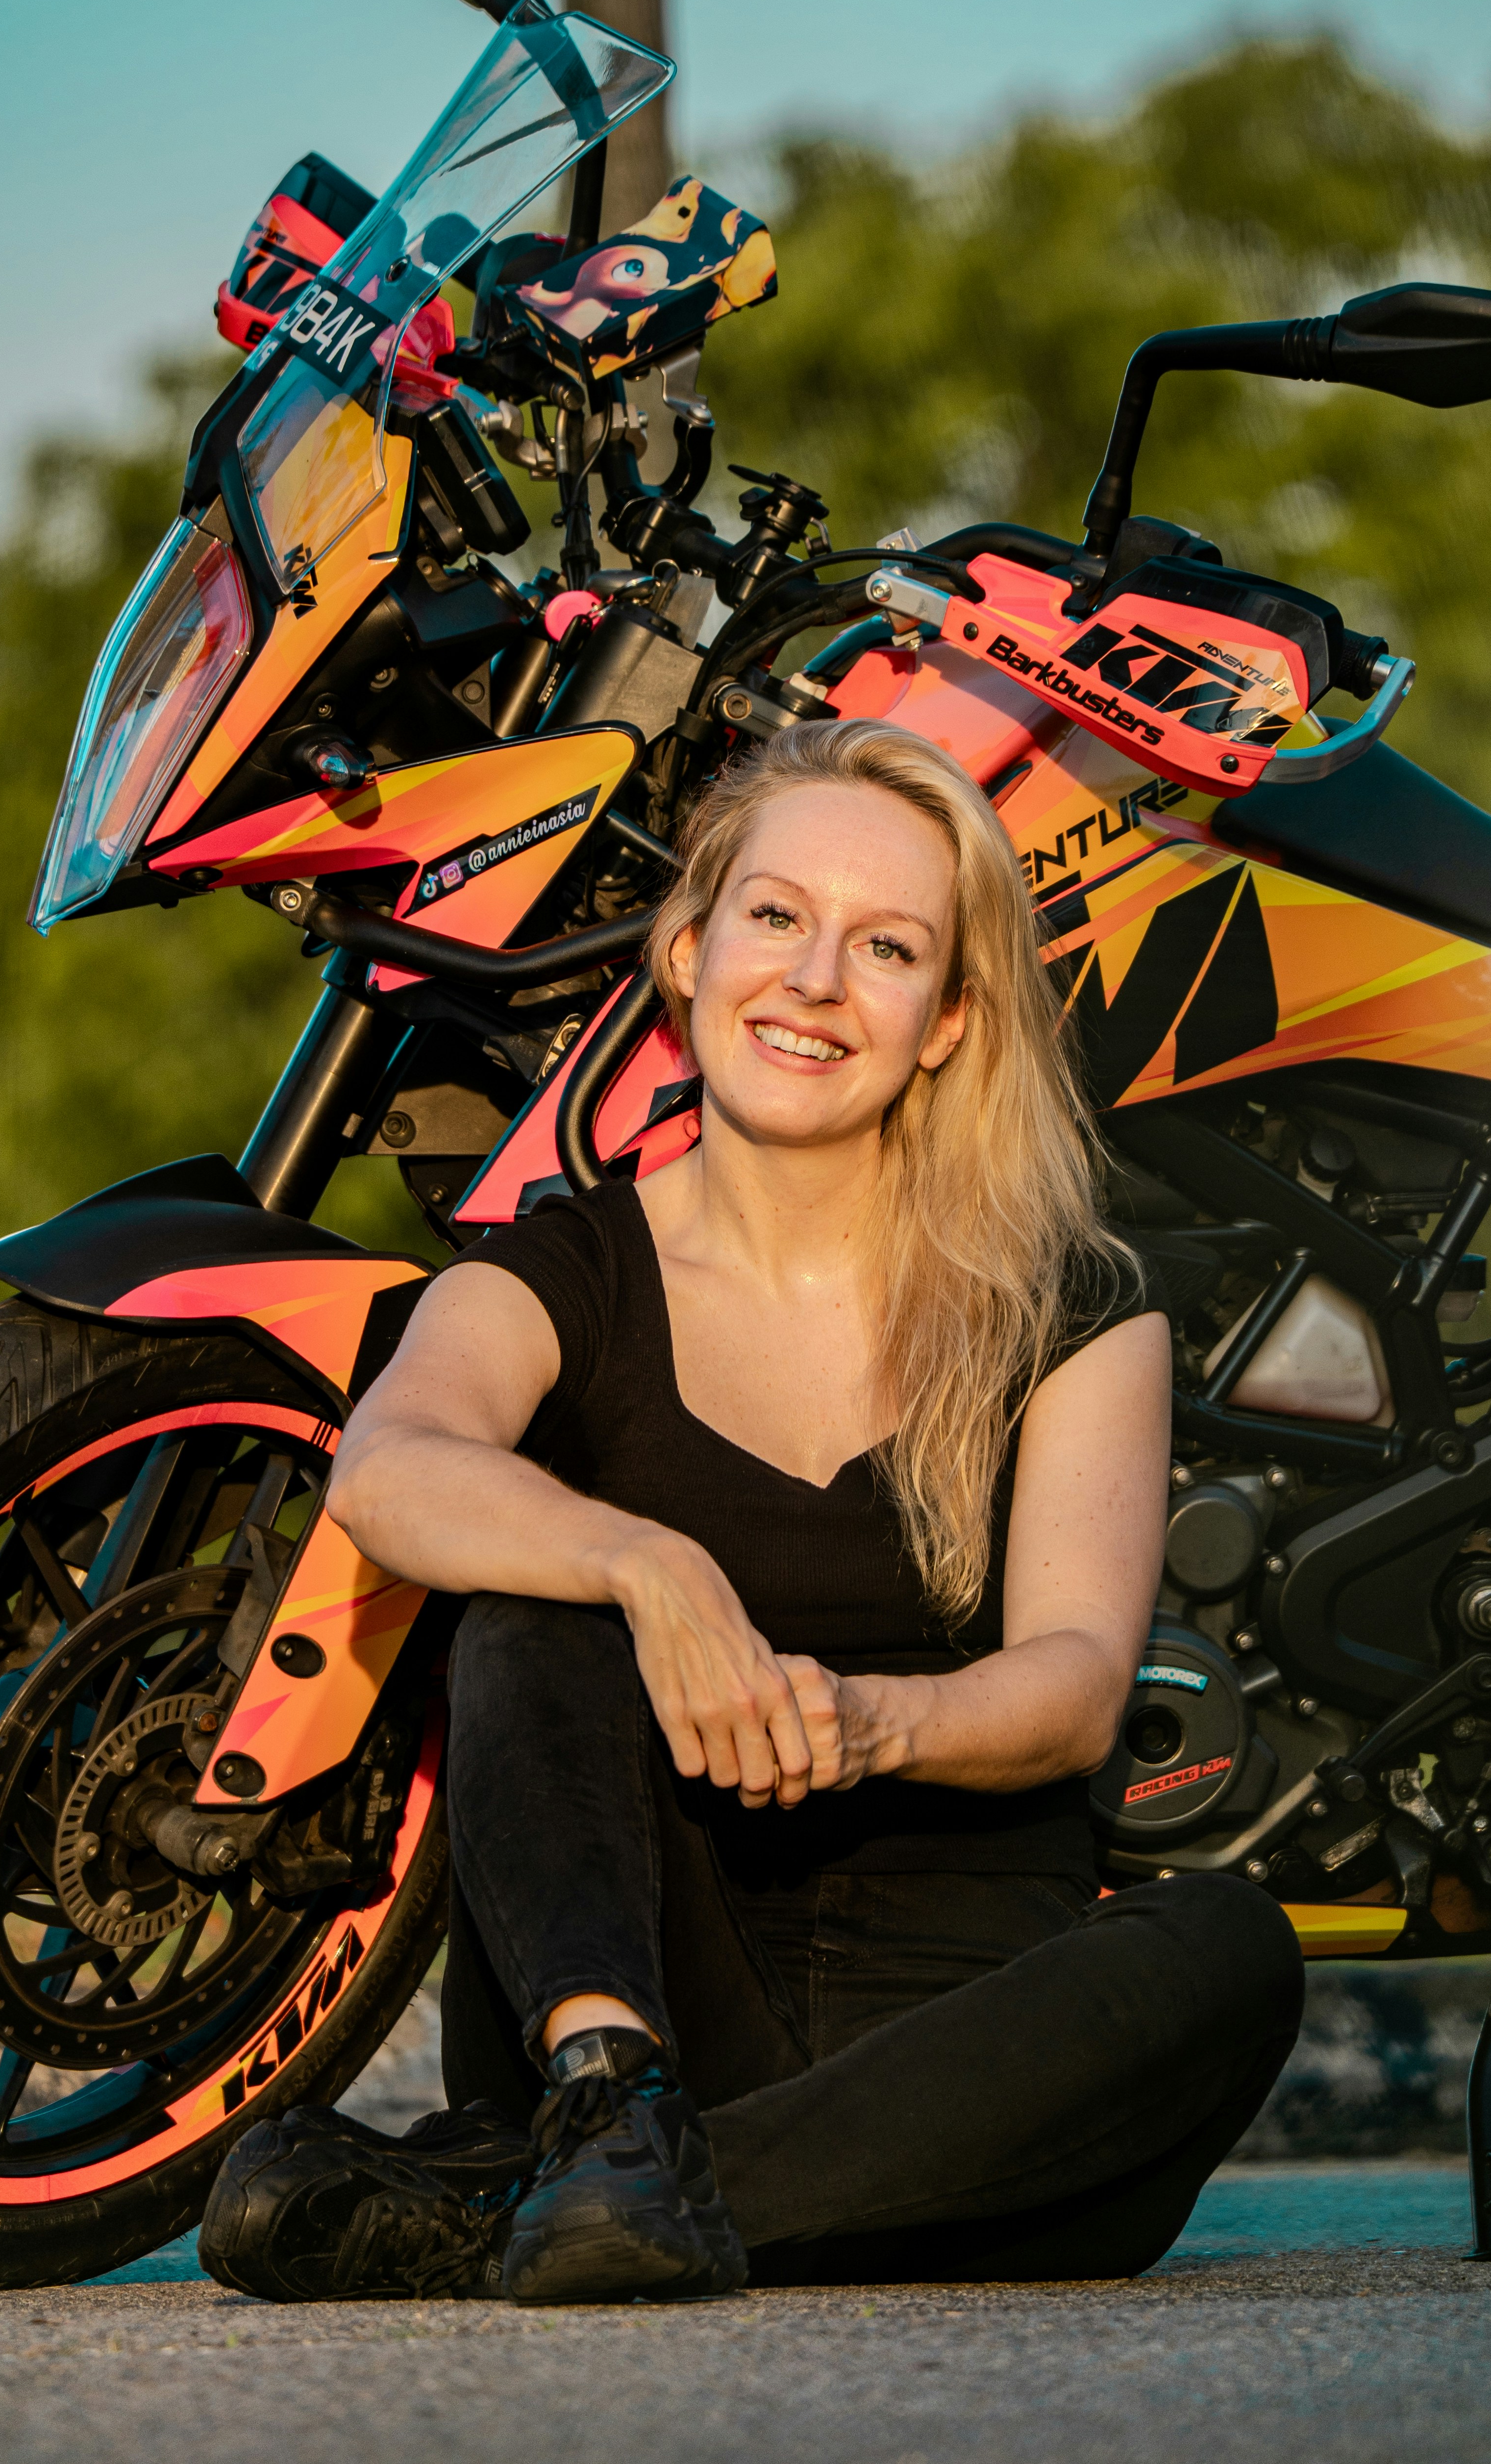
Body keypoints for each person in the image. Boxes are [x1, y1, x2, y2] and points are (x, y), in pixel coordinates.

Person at [201, 719, 1302, 2306]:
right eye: (777, 918)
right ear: (688, 949)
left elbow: (1071, 1692)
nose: (814, 980)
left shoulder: (1079, 1306)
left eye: (887, 947)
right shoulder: (562, 1269)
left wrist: (859, 1722)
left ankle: (539, 2211)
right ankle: (614, 2124)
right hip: (644, 2009)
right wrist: (647, 1564)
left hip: (974, 2090)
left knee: (1232, 1947)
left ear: (945, 1023)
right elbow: (391, 1470)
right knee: (534, 1591)